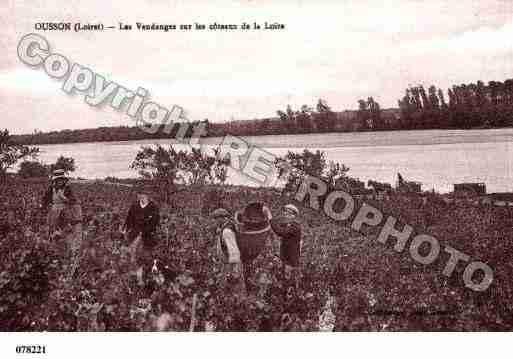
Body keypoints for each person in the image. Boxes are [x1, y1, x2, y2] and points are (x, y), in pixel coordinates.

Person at [123, 186, 160, 285]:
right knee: (133, 255)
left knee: (146, 257)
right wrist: (125, 229)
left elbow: (155, 222)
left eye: (144, 195)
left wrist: (144, 232)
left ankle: (146, 278)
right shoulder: (134, 206)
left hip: (147, 236)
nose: (142, 197)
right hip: (134, 233)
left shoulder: (153, 207)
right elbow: (129, 218)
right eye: (140, 195)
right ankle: (137, 278)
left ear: (148, 196)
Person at [211, 208, 245, 297]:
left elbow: (234, 253)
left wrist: (233, 271)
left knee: (233, 288)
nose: (214, 221)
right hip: (226, 263)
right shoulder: (225, 227)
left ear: (221, 218)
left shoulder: (227, 231)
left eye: (215, 218)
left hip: (230, 265)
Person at [42, 169, 82, 241]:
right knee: (52, 227)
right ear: (55, 181)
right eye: (58, 180)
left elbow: (73, 200)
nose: (59, 181)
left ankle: (63, 240)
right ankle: (52, 240)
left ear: (64, 180)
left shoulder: (67, 189)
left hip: (65, 210)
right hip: (54, 211)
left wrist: (64, 198)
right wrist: (44, 206)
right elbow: (45, 199)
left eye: (61, 180)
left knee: (65, 228)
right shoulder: (51, 189)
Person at [271, 204, 302, 286]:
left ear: (293, 216)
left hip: (291, 260)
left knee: (289, 281)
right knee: (282, 278)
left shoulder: (295, 227)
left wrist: (270, 219)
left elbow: (279, 232)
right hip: (284, 257)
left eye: (288, 214)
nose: (285, 215)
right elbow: (278, 225)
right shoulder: (286, 225)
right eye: (284, 212)